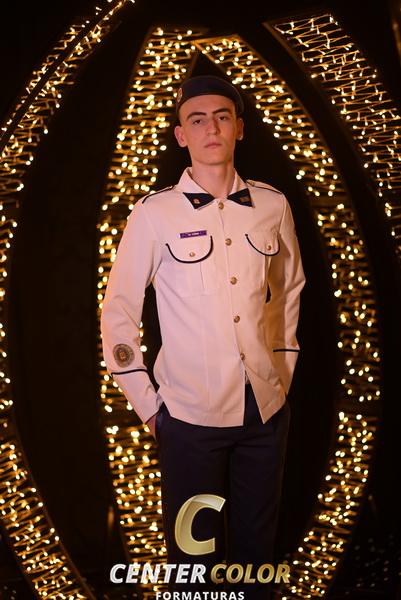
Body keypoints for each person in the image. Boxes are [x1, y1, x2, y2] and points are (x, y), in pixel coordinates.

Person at [100, 75, 305, 599]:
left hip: (265, 412)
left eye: (221, 117)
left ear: (239, 128)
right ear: (181, 136)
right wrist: (149, 406)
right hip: (188, 419)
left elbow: (287, 292)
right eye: (197, 120)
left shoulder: (272, 205)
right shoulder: (154, 214)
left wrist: (280, 373)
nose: (211, 128)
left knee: (258, 559)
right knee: (194, 564)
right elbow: (119, 309)